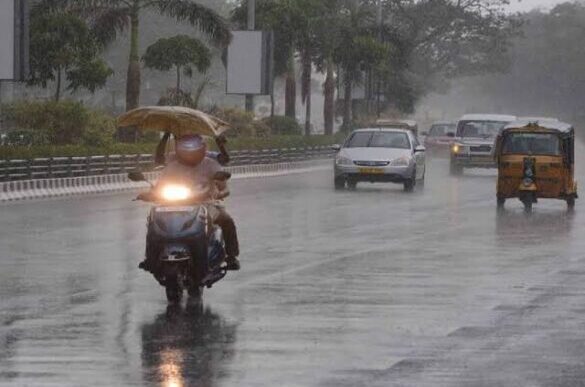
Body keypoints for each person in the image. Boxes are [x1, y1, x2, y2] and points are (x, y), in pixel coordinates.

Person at [140, 134, 240, 272]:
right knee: (152, 221)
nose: (189, 150)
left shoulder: (211, 163)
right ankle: (150, 258)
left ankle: (232, 256)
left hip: (206, 203)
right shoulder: (172, 165)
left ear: (202, 147)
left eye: (193, 146)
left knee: (227, 220)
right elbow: (159, 185)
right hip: (173, 204)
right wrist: (149, 193)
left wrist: (220, 193)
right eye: (185, 146)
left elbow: (225, 187)